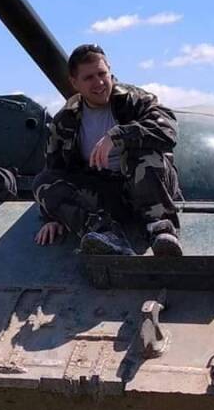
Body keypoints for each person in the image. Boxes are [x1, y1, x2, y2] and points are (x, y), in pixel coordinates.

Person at [32, 44, 183, 256]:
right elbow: (55, 168)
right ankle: (105, 233)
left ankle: (161, 229)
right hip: (105, 192)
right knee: (42, 180)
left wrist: (119, 136)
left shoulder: (133, 100)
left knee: (139, 153)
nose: (99, 82)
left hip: (149, 186)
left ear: (110, 71)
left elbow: (168, 131)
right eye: (89, 78)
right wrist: (54, 217)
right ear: (74, 82)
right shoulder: (65, 121)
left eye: (102, 74)